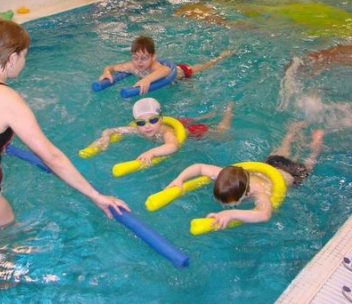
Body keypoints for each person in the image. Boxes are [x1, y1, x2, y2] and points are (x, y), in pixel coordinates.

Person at [0, 18, 129, 228]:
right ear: (12, 58)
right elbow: (52, 157)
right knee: (7, 246)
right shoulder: (6, 98)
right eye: (24, 56)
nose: (24, 62)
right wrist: (96, 196)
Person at [165, 121, 324, 228]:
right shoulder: (228, 175)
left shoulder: (259, 192)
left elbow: (264, 215)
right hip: (271, 166)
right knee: (284, 150)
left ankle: (315, 145)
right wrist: (180, 179)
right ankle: (294, 133)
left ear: (246, 194)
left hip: (290, 174)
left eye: (231, 204)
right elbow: (199, 167)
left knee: (308, 163)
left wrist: (232, 213)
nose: (226, 206)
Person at [83, 98, 234, 166]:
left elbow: (173, 146)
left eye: (153, 120)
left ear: (161, 119)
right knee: (195, 119)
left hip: (192, 133)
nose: (147, 126)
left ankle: (228, 112)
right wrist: (105, 136)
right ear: (136, 123)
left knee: (221, 133)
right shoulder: (139, 130)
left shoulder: (165, 132)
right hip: (177, 123)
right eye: (141, 122)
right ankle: (210, 114)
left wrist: (151, 152)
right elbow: (114, 129)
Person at [97, 35, 232, 95]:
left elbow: (166, 70)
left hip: (182, 73)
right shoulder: (131, 66)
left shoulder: (155, 66)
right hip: (169, 83)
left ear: (153, 57)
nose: (139, 62)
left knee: (204, 66)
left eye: (144, 58)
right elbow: (111, 67)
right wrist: (107, 72)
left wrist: (146, 79)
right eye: (135, 58)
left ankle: (221, 57)